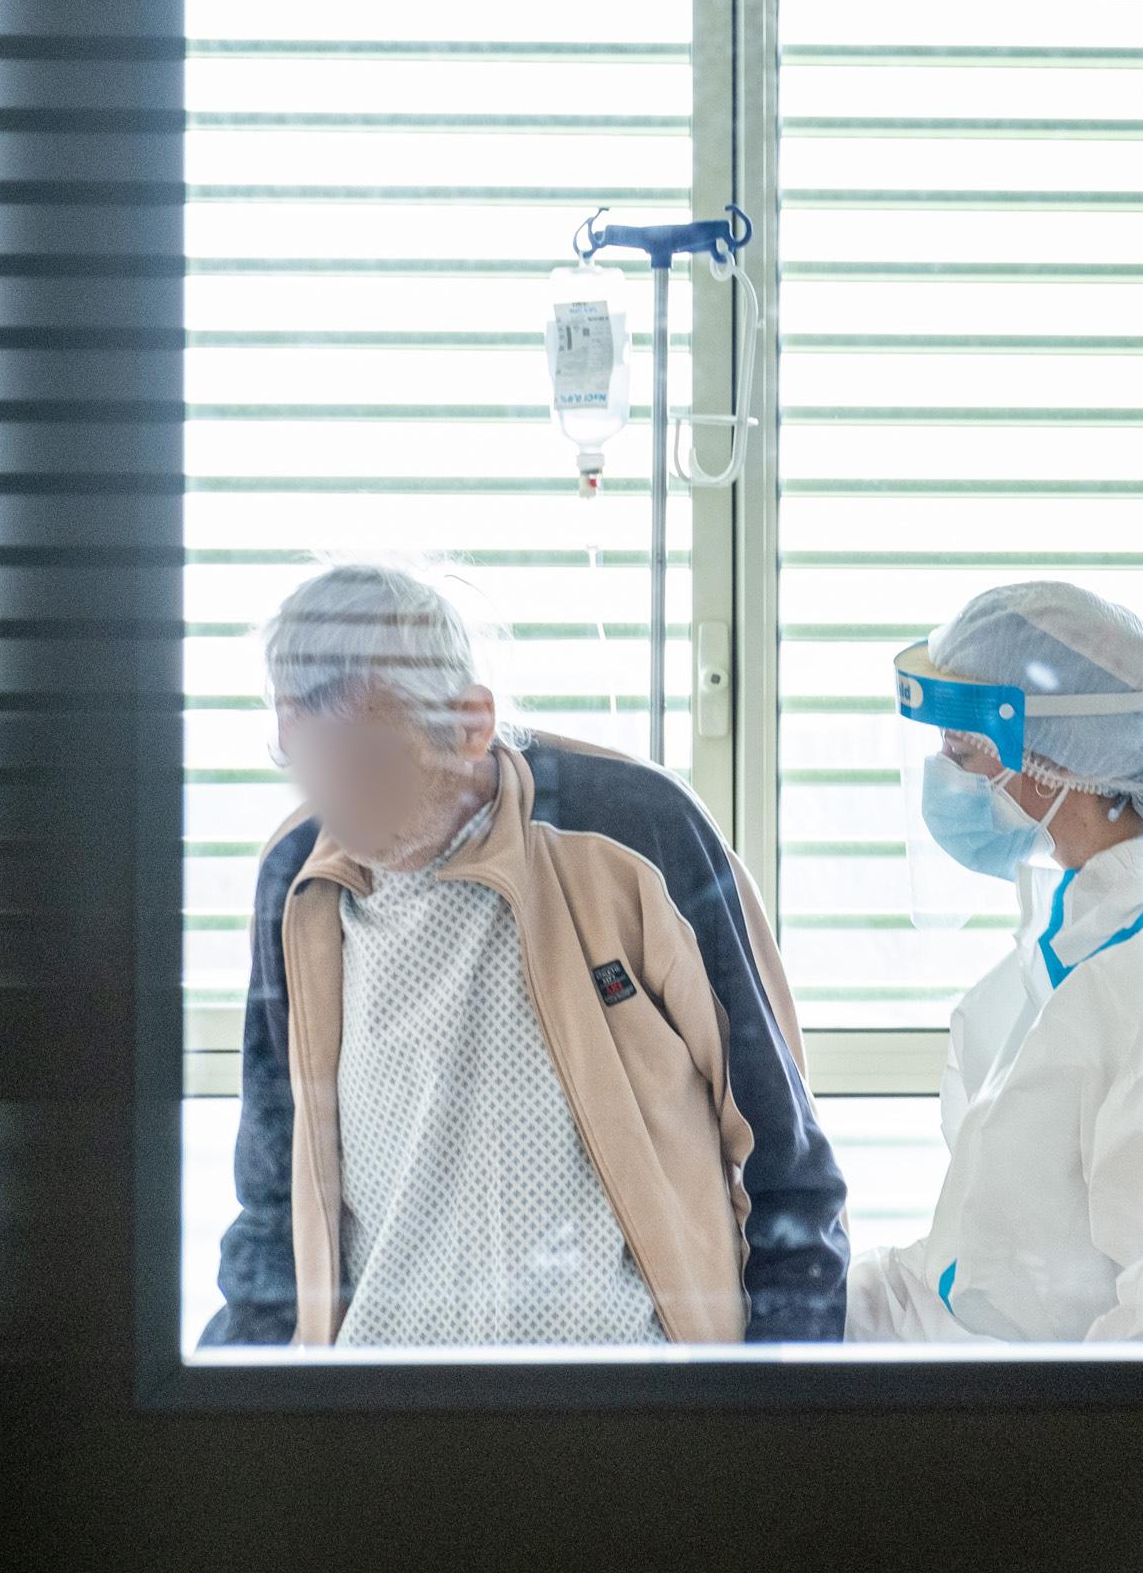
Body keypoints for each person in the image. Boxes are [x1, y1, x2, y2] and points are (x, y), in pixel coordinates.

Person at [202, 559, 847, 1347]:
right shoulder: (297, 878)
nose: (335, 804)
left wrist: (785, 1396)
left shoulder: (634, 828)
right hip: (379, 1407)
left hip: (637, 1403)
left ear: (471, 723)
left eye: (366, 762)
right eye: (305, 763)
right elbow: (273, 1189)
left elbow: (784, 1157)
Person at [844, 581, 1143, 1343]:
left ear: (1048, 762)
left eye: (960, 750)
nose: (944, 777)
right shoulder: (1079, 935)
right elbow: (981, 1265)